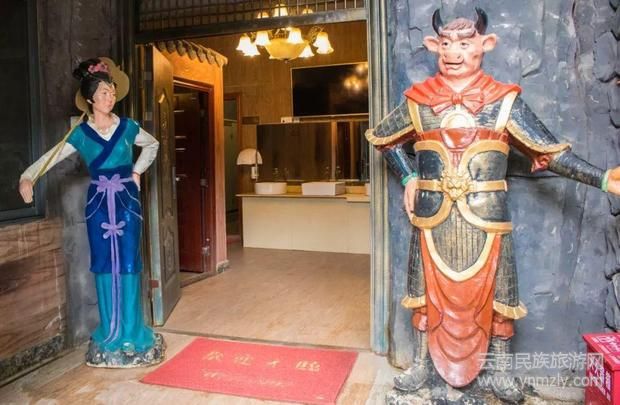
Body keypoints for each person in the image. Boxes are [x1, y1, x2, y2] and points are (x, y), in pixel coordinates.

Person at [366, 8, 620, 402]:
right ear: (434, 46)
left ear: (485, 45)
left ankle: (499, 372)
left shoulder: (503, 101)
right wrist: (409, 177)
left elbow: (549, 152)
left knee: (500, 297)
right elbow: (385, 140)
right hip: (432, 218)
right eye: (446, 43)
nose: (453, 53)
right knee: (424, 294)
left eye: (464, 43)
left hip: (488, 219)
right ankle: (422, 365)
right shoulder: (419, 101)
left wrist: (602, 178)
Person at [18, 57, 164, 368]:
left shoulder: (128, 127)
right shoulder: (80, 134)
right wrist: (28, 177)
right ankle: (110, 332)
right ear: (90, 100)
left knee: (128, 262)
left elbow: (152, 145)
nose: (109, 98)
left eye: (112, 92)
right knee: (103, 264)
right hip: (98, 204)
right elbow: (51, 157)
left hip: (126, 201)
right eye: (103, 93)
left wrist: (136, 171)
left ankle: (132, 332)